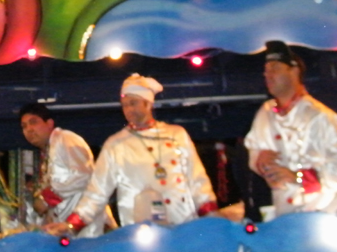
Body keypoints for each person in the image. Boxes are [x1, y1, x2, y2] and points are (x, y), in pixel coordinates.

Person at [46, 74, 217, 237]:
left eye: (133, 103)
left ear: (148, 104)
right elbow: (97, 192)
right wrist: (71, 224)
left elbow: (197, 180)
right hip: (139, 232)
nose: (128, 109)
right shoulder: (115, 144)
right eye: (124, 105)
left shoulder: (176, 135)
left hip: (182, 225)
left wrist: (211, 216)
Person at [244, 41, 337, 217]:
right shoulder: (265, 113)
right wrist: (260, 160)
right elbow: (254, 153)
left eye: (275, 69)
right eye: (266, 71)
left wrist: (298, 177)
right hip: (286, 216)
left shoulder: (320, 116)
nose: (268, 75)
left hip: (326, 215)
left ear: (294, 70)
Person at [19, 103, 113, 238]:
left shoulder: (64, 139)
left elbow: (84, 176)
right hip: (69, 232)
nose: (29, 129)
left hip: (90, 229)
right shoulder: (47, 153)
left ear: (49, 123)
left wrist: (46, 199)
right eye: (24, 126)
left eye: (33, 122)